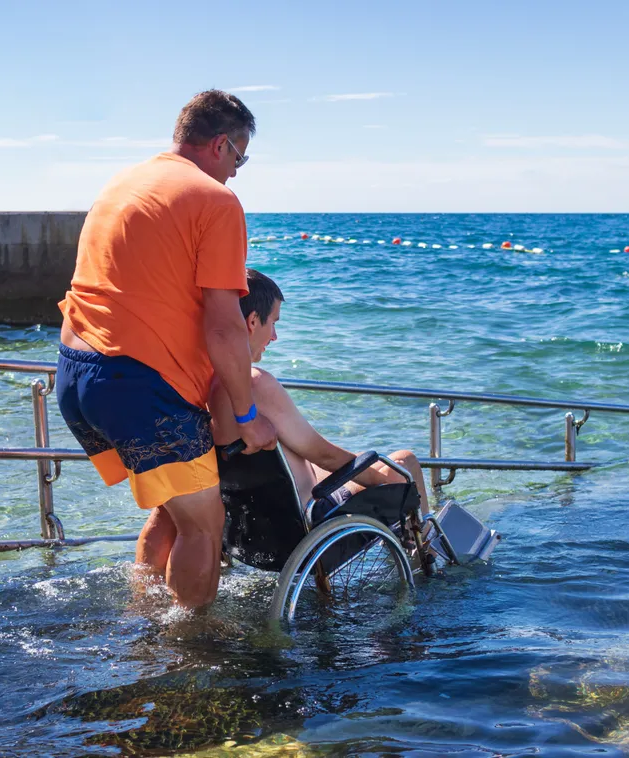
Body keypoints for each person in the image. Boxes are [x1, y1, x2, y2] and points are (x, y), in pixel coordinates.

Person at [56, 90, 278, 611]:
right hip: (138, 385)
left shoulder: (124, 182)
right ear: (221, 144)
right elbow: (226, 328)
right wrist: (247, 416)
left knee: (172, 507)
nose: (238, 172)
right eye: (240, 157)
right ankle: (187, 655)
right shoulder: (215, 200)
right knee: (205, 524)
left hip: (76, 373)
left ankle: (144, 617)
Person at [210, 269, 431, 512]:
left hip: (258, 518)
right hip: (311, 513)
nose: (274, 336)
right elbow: (325, 456)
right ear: (252, 321)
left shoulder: (209, 386)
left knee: (363, 465)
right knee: (404, 462)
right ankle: (426, 548)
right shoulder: (256, 384)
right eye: (273, 323)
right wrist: (388, 486)